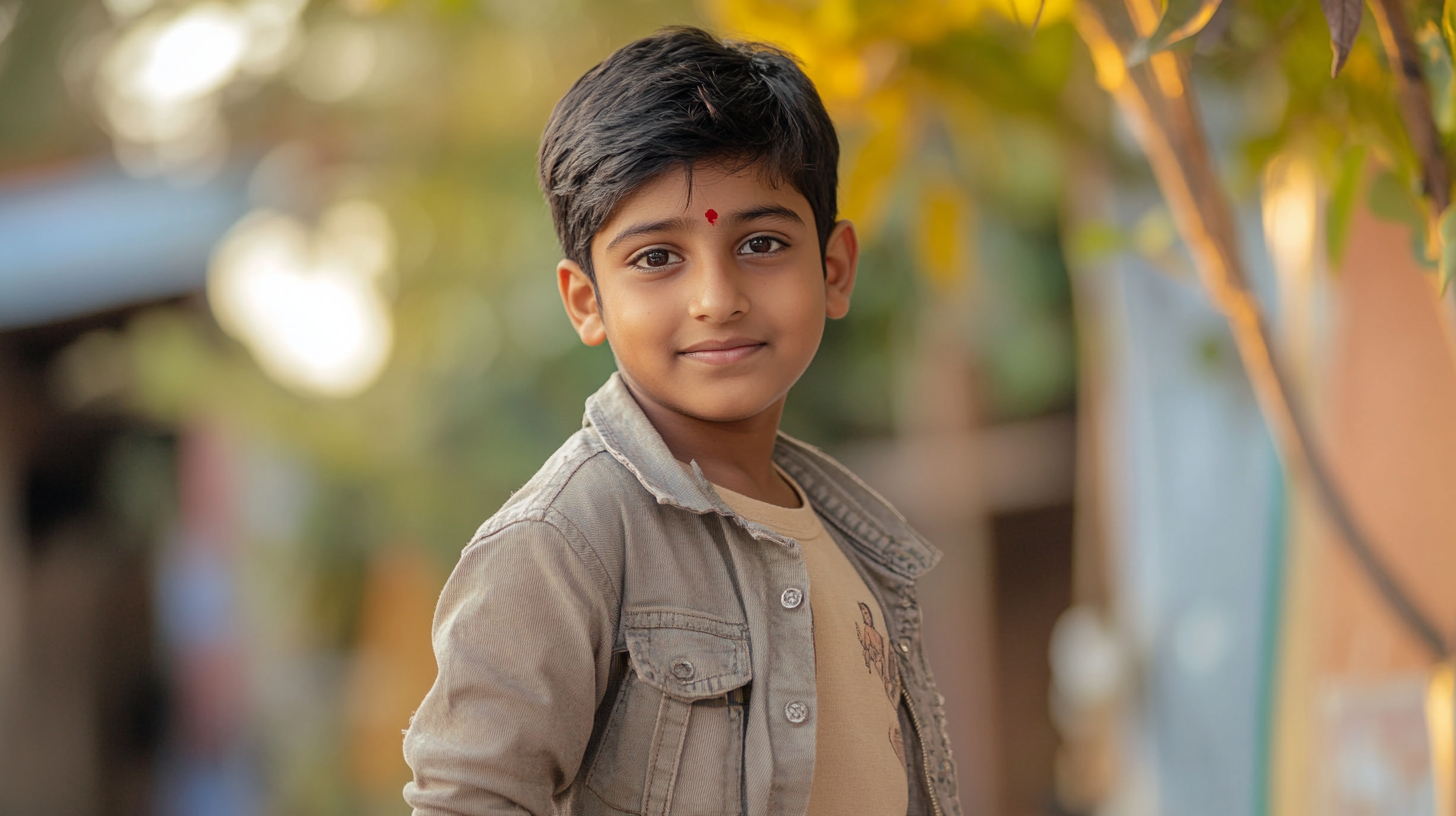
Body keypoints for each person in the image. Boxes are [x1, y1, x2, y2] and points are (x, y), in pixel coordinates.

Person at [402, 25, 961, 816]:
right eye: (657, 258)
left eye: (762, 243)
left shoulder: (854, 544)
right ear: (586, 300)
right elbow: (471, 799)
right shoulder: (565, 543)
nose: (716, 298)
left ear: (833, 270)